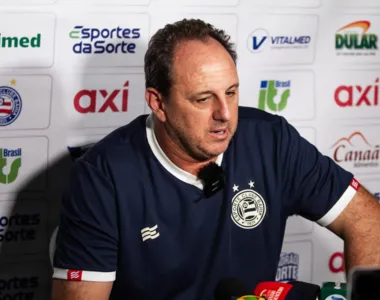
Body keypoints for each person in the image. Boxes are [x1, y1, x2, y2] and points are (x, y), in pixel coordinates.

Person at [51, 18, 380, 300]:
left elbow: (367, 221)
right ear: (158, 102)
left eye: (232, 93)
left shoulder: (272, 140)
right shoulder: (101, 179)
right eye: (203, 99)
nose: (224, 114)